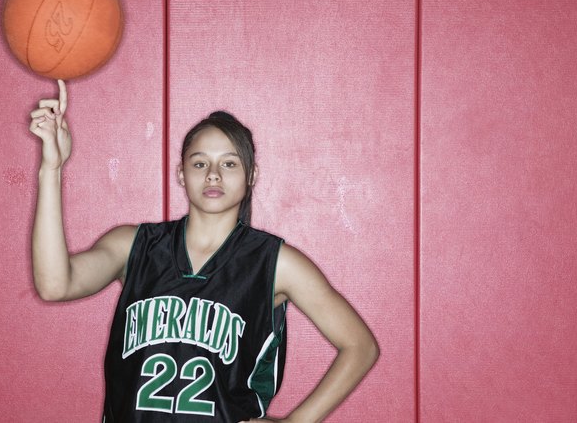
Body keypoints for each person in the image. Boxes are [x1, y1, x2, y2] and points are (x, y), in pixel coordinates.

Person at [29, 80, 379, 422]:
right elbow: (56, 285)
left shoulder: (275, 263)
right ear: (181, 174)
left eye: (229, 163)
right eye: (200, 163)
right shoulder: (133, 245)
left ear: (251, 174)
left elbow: (360, 346)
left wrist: (298, 421)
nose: (213, 175)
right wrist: (52, 167)